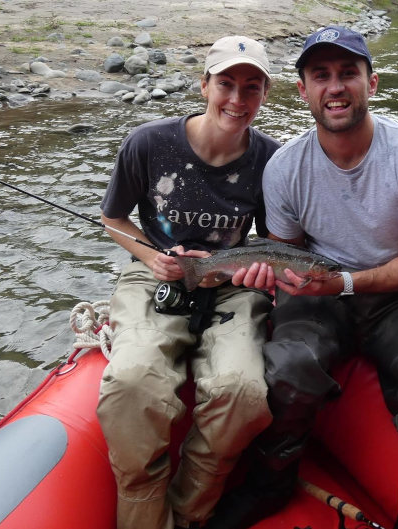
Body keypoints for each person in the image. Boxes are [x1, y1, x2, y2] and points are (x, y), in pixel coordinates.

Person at [207, 26, 398, 529]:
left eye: (348, 74)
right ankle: (270, 484)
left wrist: (349, 284)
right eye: (321, 76)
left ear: (371, 83)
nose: (335, 87)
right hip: (318, 292)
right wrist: (274, 277)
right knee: (284, 369)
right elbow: (284, 253)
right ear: (303, 91)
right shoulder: (285, 168)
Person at [96, 36, 280, 529]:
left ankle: (187, 514)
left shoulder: (272, 160)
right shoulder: (148, 143)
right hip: (155, 273)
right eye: (226, 84)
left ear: (266, 95)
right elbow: (113, 218)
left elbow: (274, 241)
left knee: (242, 392)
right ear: (204, 85)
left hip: (231, 284)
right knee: (131, 382)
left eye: (252, 87)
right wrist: (153, 255)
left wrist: (247, 269)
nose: (238, 100)